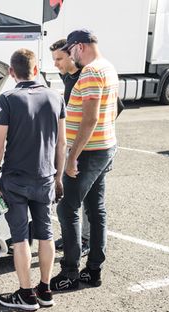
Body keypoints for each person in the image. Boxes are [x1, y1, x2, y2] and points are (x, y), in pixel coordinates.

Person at [0, 48, 66, 311]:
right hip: (45, 178)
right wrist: (59, 178)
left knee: (20, 237)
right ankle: (45, 289)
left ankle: (25, 293)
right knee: (46, 233)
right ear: (35, 69)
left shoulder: (8, 99)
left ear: (11, 72)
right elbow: (61, 144)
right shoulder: (55, 97)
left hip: (16, 180)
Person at [50, 30, 118, 291]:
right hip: (105, 146)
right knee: (95, 208)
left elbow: (90, 118)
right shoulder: (108, 67)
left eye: (71, 50)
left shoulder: (91, 72)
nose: (70, 55)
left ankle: (69, 272)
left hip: (89, 152)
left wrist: (72, 157)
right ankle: (93, 271)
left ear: (79, 47)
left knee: (67, 208)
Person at [50, 39, 91, 257]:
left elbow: (115, 108)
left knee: (86, 198)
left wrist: (86, 139)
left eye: (59, 58)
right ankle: (70, 236)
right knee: (69, 198)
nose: (55, 64)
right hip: (71, 145)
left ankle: (85, 240)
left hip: (87, 149)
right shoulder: (67, 77)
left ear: (71, 56)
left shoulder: (87, 77)